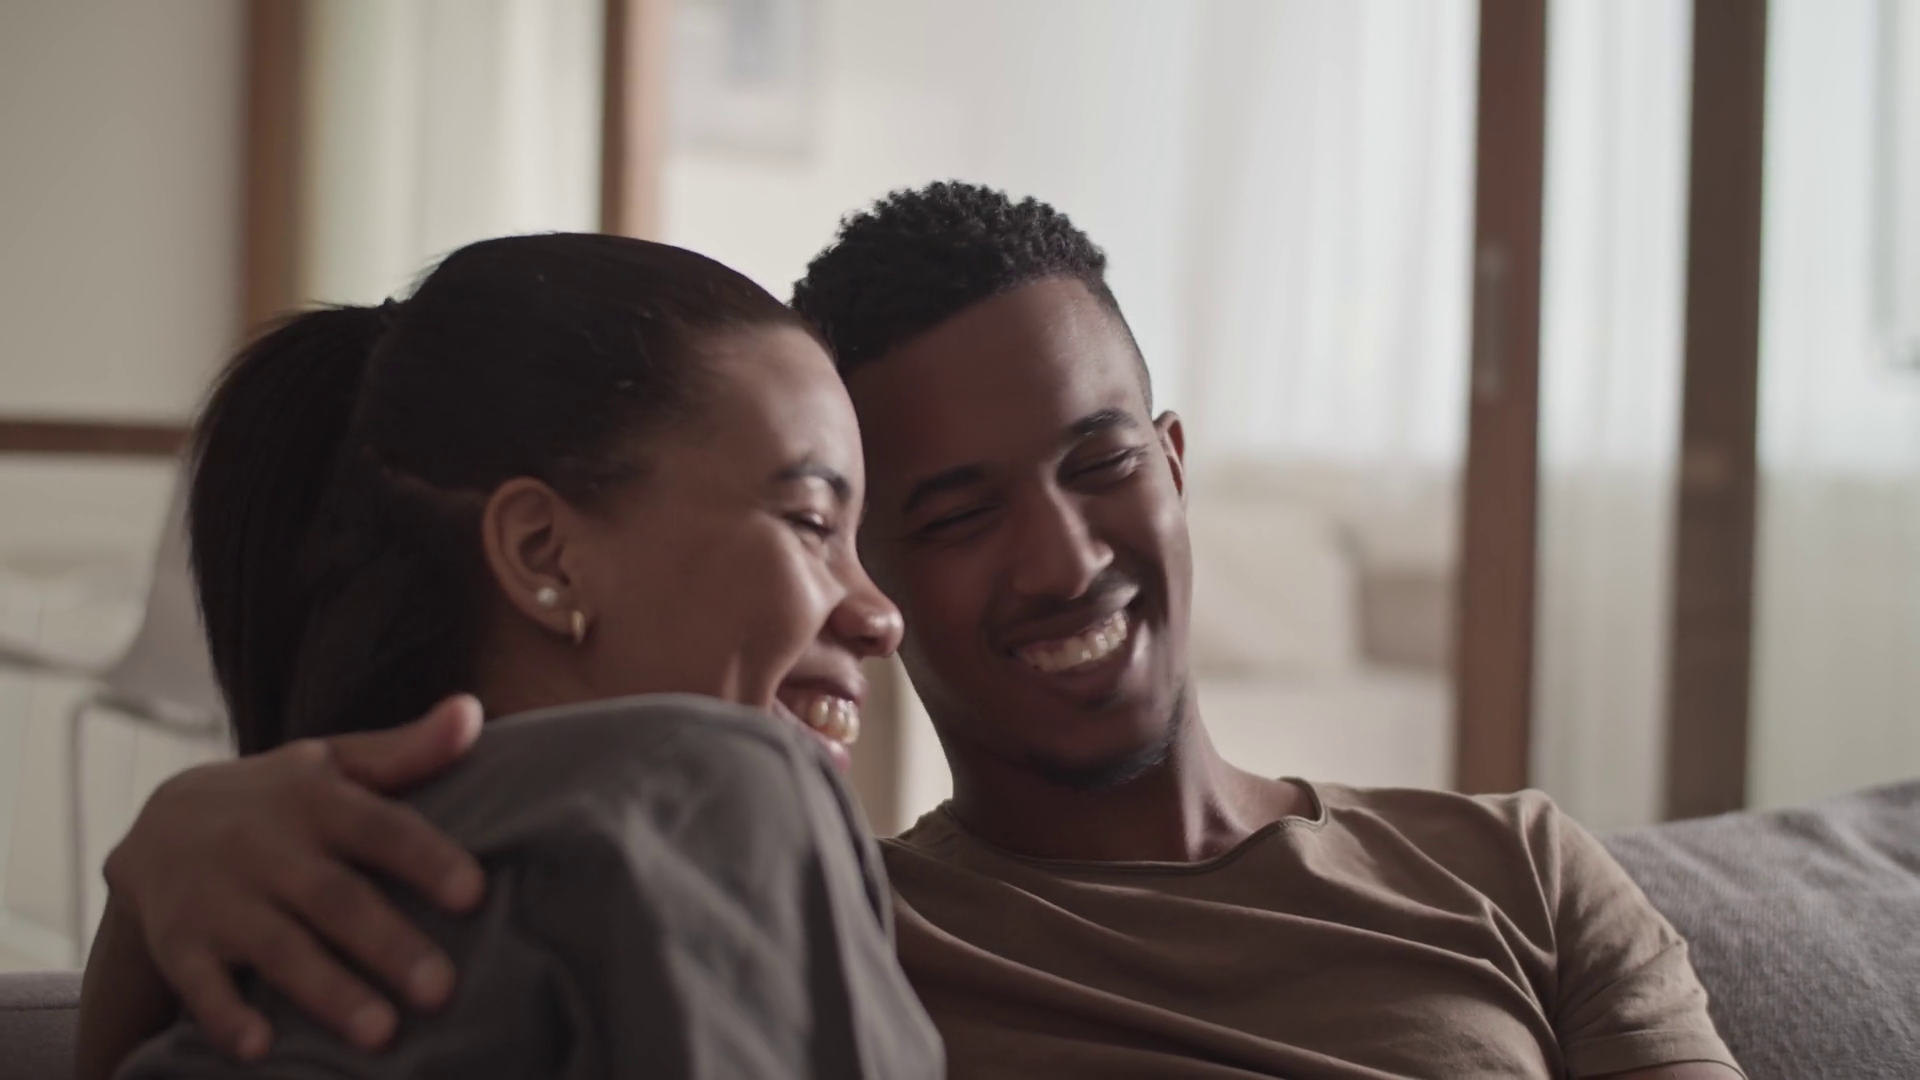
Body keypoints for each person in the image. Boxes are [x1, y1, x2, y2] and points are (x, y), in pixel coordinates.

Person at [94, 187, 1743, 1079]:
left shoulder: (1511, 871)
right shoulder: (803, 902)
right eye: (935, 519)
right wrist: (159, 880)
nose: (1063, 559)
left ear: (1175, 465)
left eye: (1101, 464)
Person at [77, 233, 942, 1079]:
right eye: (811, 522)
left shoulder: (251, 957)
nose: (882, 618)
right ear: (544, 555)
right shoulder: (727, 788)